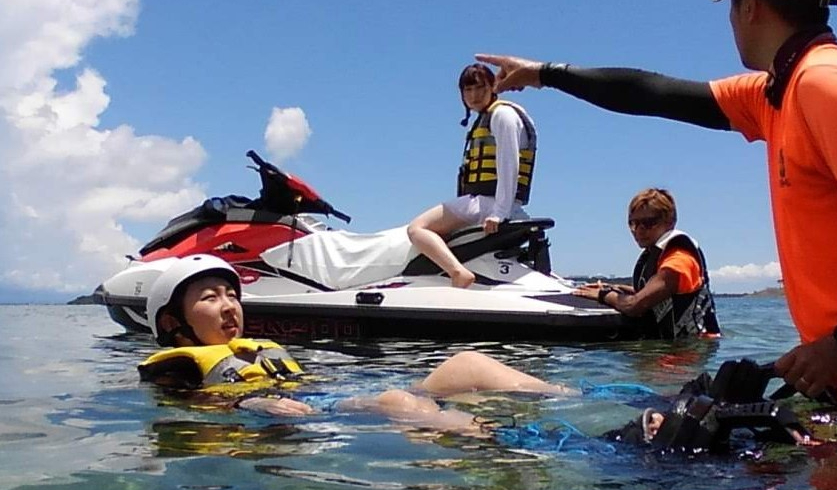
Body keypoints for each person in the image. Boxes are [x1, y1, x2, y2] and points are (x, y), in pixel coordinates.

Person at [477, 0, 837, 412]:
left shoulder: (826, 84)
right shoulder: (775, 94)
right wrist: (545, 73)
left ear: (748, 3)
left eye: (730, 6)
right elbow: (652, 93)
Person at [140, 255, 570, 428]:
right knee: (398, 401)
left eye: (232, 295)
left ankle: (584, 400)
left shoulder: (256, 350)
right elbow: (185, 406)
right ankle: (518, 445)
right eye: (210, 298)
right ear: (174, 322)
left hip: (331, 397)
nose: (228, 305)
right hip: (313, 414)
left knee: (467, 363)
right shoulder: (178, 366)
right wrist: (250, 405)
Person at [407, 63, 538, 288]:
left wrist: (499, 212)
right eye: (468, 90)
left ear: (493, 87)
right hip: (491, 203)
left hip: (488, 204)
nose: (474, 95)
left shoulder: (502, 115)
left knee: (417, 228)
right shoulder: (488, 117)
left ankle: (458, 273)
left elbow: (509, 163)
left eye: (480, 88)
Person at [574, 187, 720, 339]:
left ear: (670, 223)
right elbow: (652, 293)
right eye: (633, 223)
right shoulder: (658, 254)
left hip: (691, 350)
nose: (639, 230)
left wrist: (603, 295)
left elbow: (633, 306)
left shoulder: (679, 261)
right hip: (673, 347)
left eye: (648, 223)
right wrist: (614, 287)